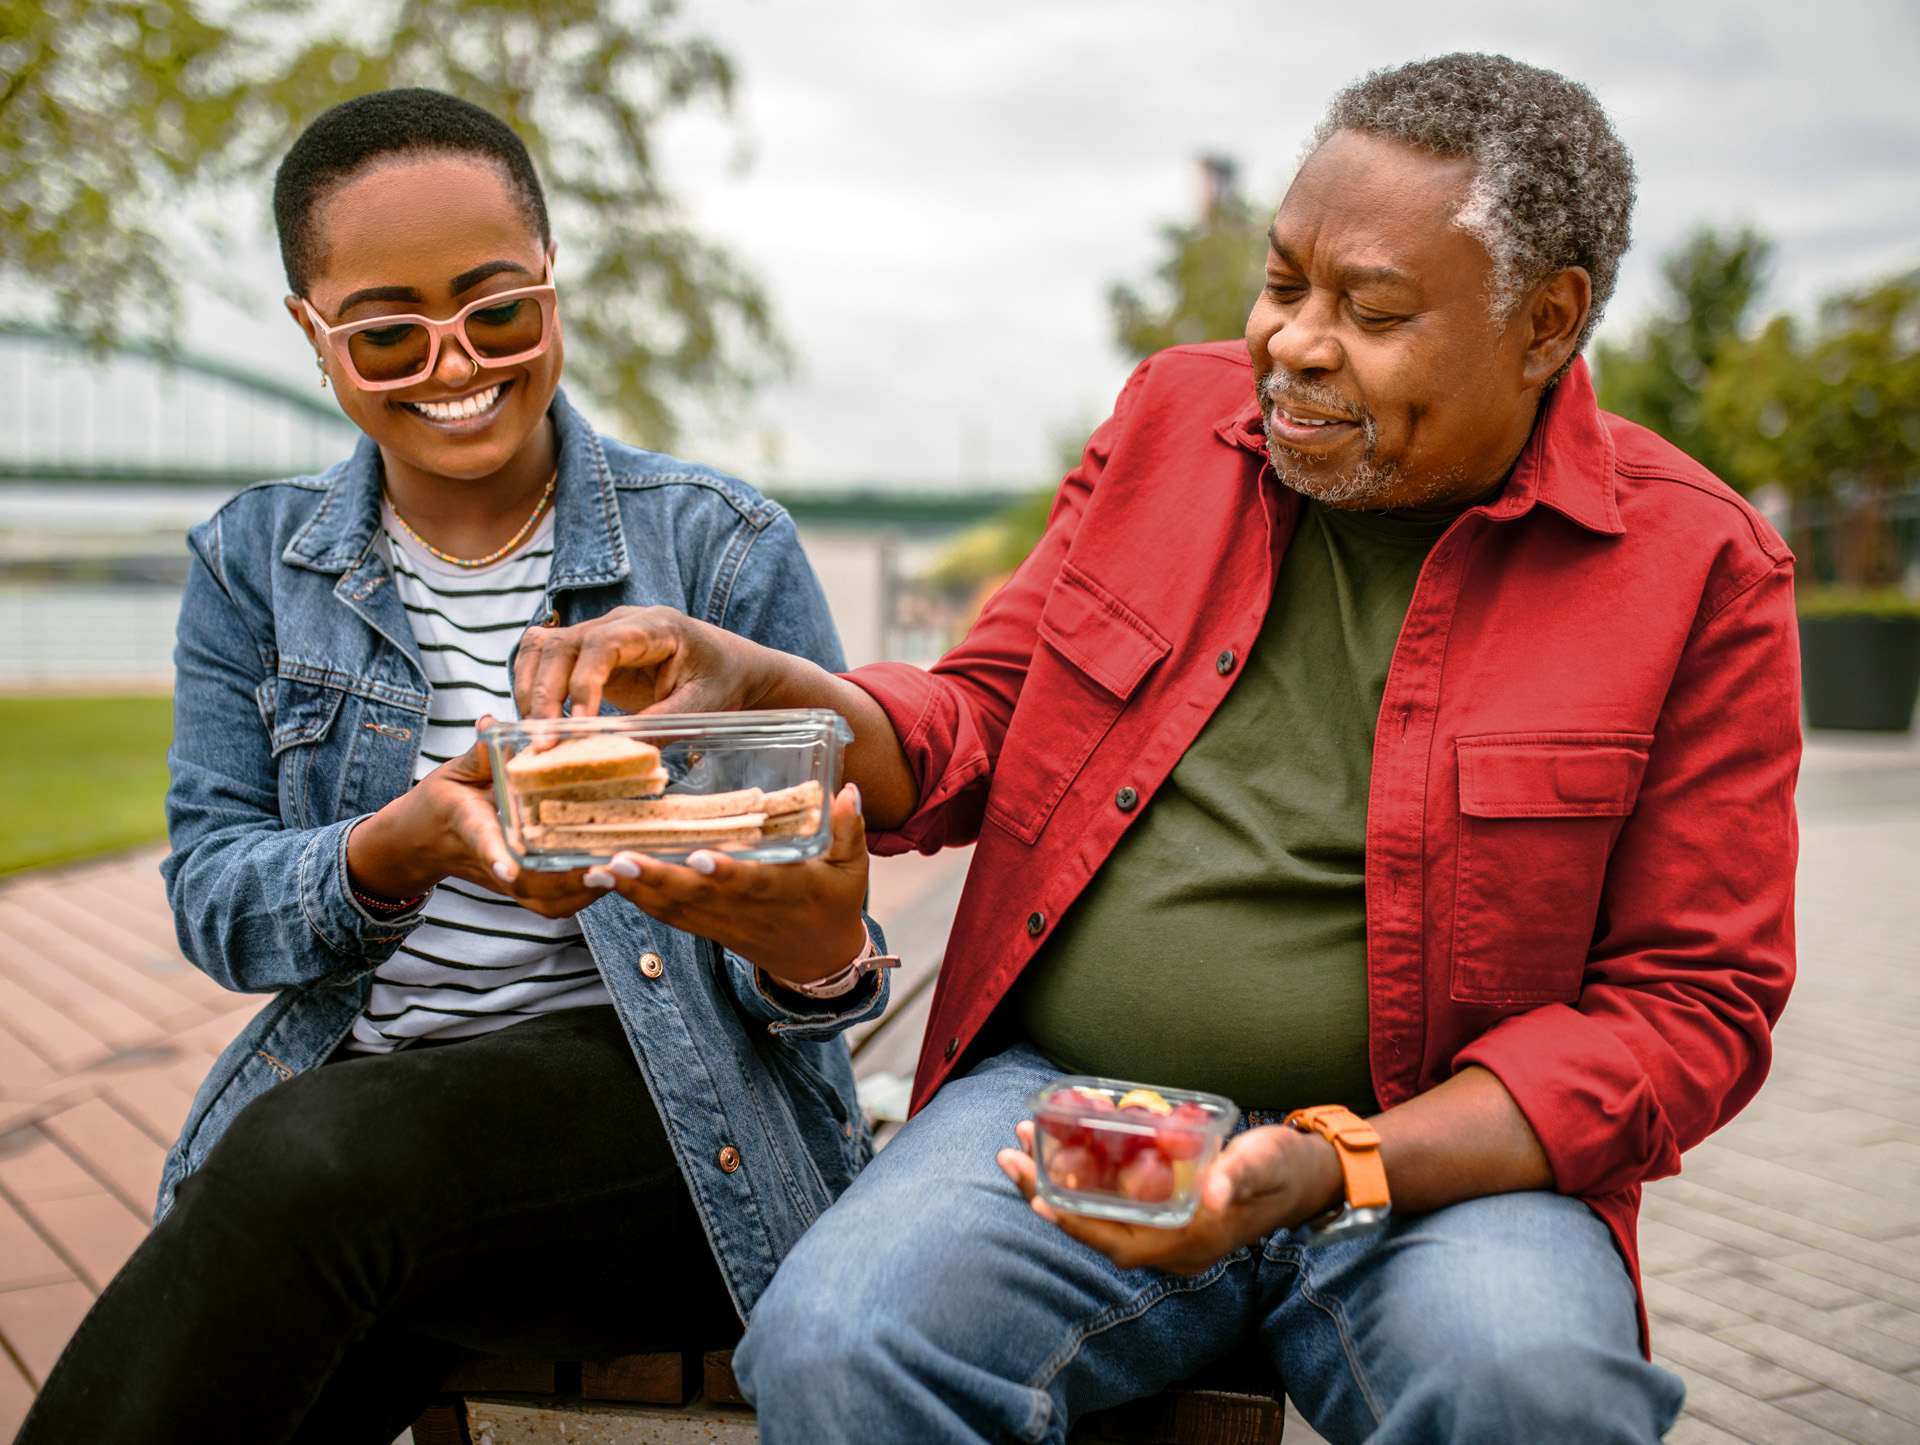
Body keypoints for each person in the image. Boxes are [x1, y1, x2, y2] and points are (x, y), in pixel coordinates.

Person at [517, 54, 1799, 1444]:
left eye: (1370, 309)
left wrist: (1333, 1161)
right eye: (1285, 281)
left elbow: (1692, 1004)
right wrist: (773, 691)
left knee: (1532, 1391)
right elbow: (987, 720)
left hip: (1443, 1179)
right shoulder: (1171, 426)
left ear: (1546, 323)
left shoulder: (1701, 569)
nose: (1295, 341)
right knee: (839, 1343)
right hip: (1069, 1115)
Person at [17, 88, 885, 1445]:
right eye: (386, 331)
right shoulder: (250, 568)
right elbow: (216, 900)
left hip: (675, 1138)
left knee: (310, 1174)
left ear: (554, 289)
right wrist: (395, 848)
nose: (452, 360)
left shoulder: (720, 550)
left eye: (495, 310)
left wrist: (809, 943)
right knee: (316, 1262)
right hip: (382, 1127)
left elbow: (817, 962)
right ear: (315, 337)